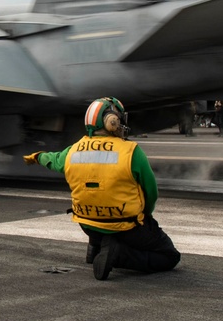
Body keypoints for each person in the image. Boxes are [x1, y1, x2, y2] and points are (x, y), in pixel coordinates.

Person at [23, 97, 181, 280]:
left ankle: (96, 248)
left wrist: (35, 156)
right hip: (125, 225)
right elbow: (151, 192)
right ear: (111, 122)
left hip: (88, 225)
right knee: (170, 256)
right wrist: (145, 216)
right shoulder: (131, 152)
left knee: (95, 200)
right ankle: (118, 255)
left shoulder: (73, 150)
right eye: (119, 119)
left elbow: (52, 160)